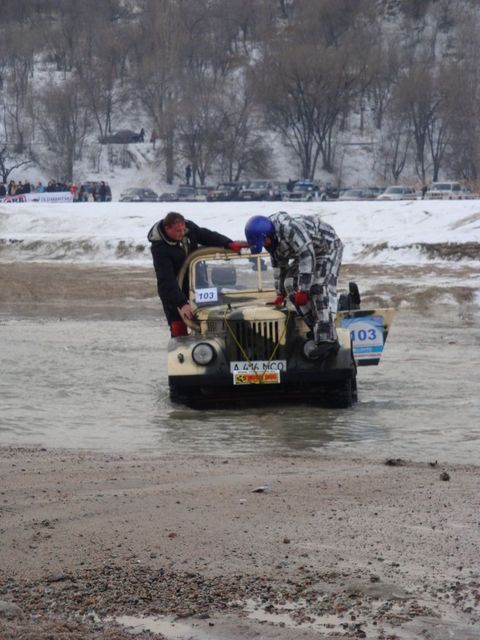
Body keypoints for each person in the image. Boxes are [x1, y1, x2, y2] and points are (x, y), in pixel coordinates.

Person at [245, 212, 343, 359]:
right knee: (289, 284)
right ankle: (317, 329)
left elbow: (307, 255)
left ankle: (329, 340)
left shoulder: (290, 229)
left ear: (268, 235)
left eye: (264, 243)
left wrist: (303, 289)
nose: (265, 246)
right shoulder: (270, 240)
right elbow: (279, 266)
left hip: (327, 248)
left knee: (317, 287)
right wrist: (280, 293)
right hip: (307, 253)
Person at [148, 212, 247, 336]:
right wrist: (182, 304)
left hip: (197, 284)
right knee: (178, 327)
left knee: (207, 319)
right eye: (178, 231)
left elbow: (208, 236)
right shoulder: (159, 248)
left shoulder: (189, 229)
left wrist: (228, 243)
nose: (182, 233)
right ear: (167, 229)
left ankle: (207, 349)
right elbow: (166, 279)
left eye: (183, 229)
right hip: (173, 290)